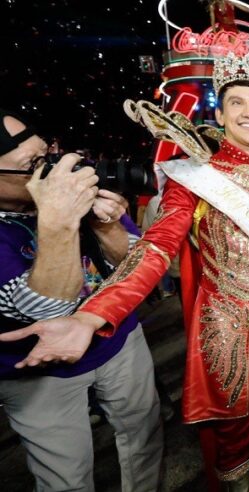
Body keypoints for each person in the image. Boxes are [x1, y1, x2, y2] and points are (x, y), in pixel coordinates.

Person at [0, 52, 249, 492]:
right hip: (225, 322)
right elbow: (154, 249)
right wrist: (93, 315)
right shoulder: (193, 177)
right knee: (230, 414)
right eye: (237, 103)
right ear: (221, 113)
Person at [0, 109, 163, 491]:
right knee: (67, 478)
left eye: (48, 154)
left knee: (144, 441)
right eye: (32, 165)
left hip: (118, 341)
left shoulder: (77, 191)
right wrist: (59, 220)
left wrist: (104, 224)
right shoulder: (55, 209)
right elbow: (46, 310)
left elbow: (136, 264)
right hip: (36, 374)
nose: (52, 171)